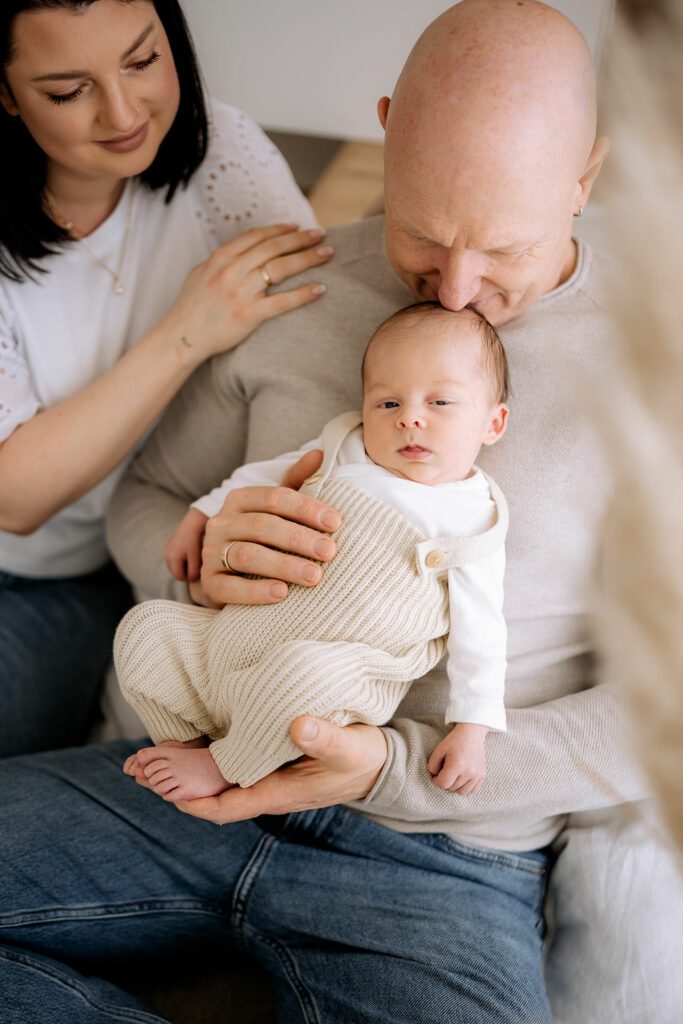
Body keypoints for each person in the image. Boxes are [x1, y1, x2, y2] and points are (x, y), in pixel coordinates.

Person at [0, 2, 652, 1021]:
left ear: (583, 174)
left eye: (502, 253)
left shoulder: (657, 359)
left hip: (437, 857)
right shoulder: (297, 278)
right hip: (186, 781)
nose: (456, 294)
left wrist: (391, 769)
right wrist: (194, 561)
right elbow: (149, 503)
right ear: (386, 129)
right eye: (421, 239)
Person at [0, 0, 330, 757]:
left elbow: (309, 327)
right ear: (6, 92)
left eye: (143, 61)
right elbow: (14, 496)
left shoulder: (221, 152)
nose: (123, 112)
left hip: (120, 563)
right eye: (66, 90)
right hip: (25, 566)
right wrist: (186, 332)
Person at [115, 303, 510, 799]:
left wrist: (472, 728)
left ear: (493, 423)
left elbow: (483, 633)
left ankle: (228, 765)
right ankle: (190, 739)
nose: (409, 418)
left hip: (337, 671)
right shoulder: (346, 444)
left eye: (441, 403)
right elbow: (263, 474)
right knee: (146, 628)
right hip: (234, 638)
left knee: (303, 676)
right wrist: (202, 513)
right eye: (388, 403)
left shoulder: (473, 518)